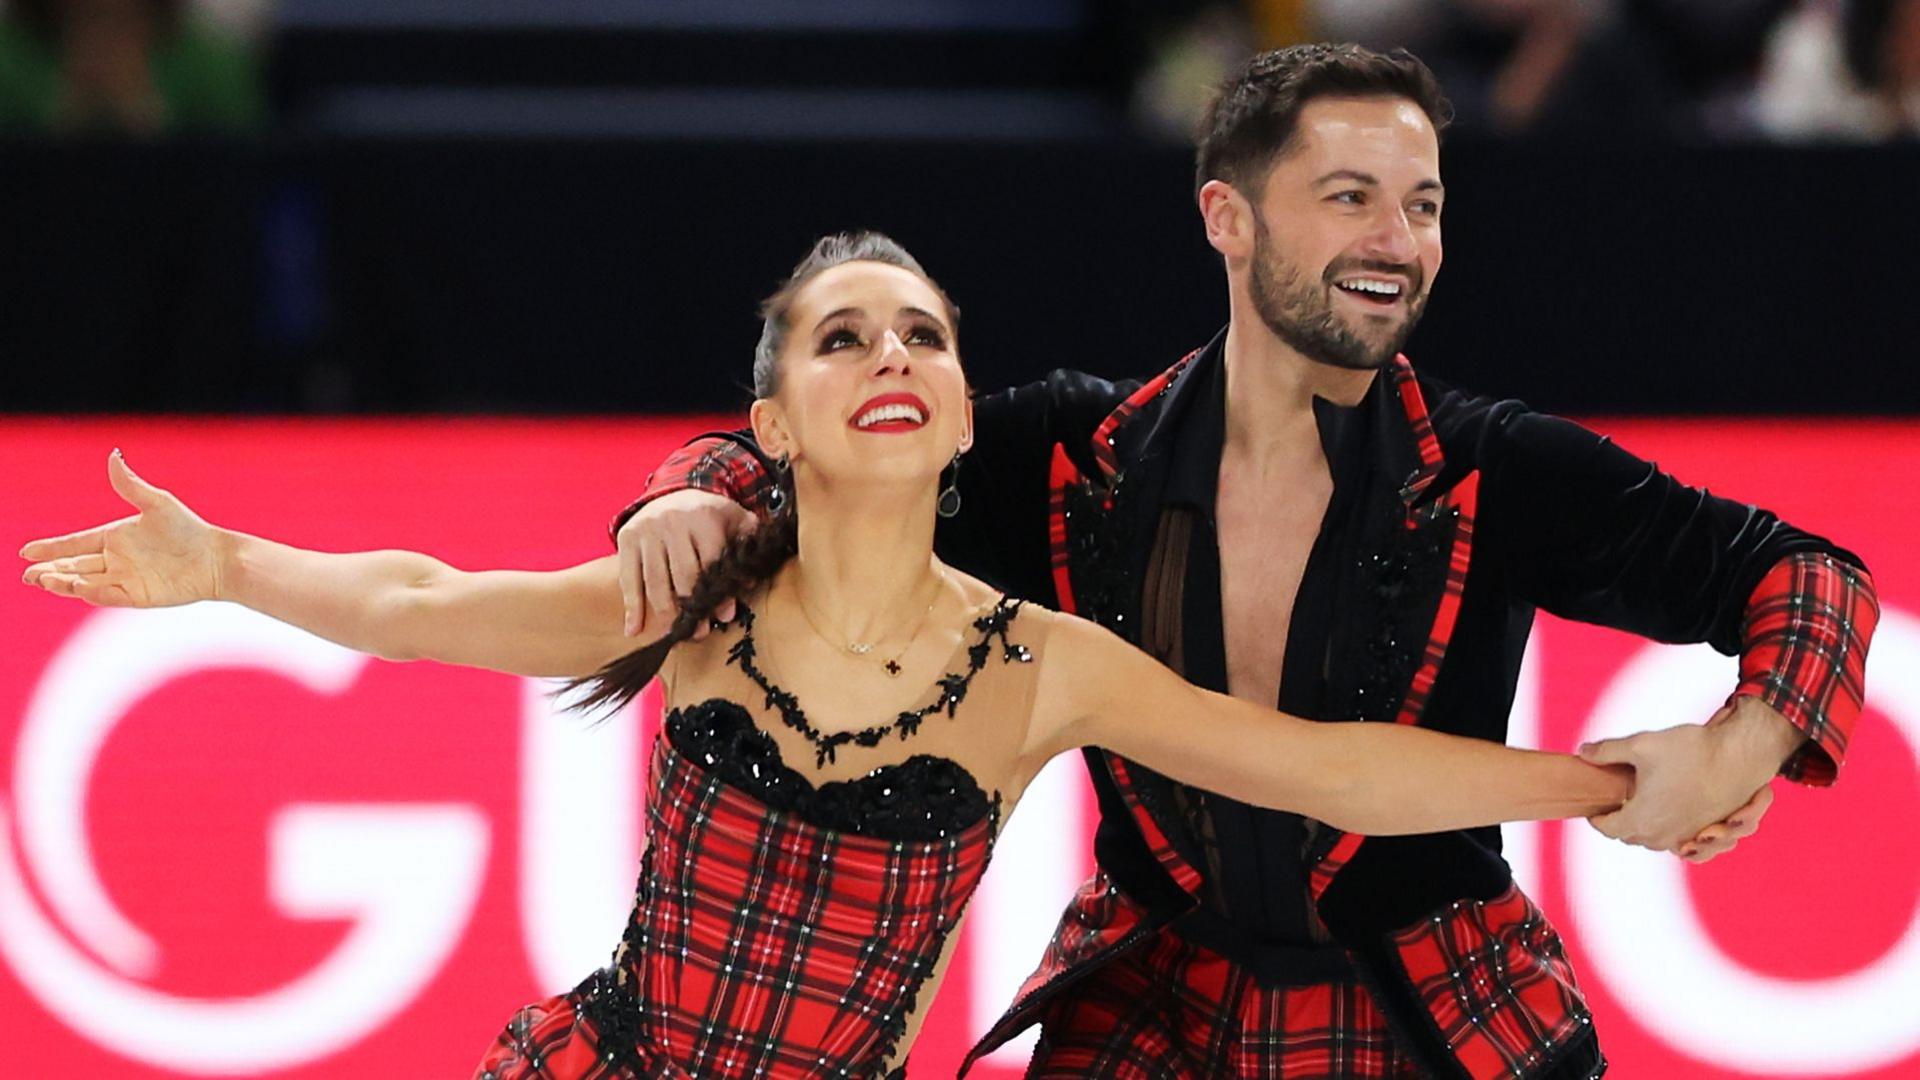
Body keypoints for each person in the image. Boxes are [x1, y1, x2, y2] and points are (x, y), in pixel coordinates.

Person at [18, 233, 1637, 1079]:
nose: (893, 354)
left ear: (953, 416)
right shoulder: (701, 603)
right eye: (843, 334)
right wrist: (224, 564)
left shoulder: (1038, 664)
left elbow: (1329, 764)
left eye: (922, 333)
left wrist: (1599, 780)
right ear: (779, 422)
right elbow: (421, 602)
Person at [612, 46, 1879, 1078]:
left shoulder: (1498, 470)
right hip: (1151, 1012)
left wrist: (1741, 742)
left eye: (1424, 204)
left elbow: (1806, 572)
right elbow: (802, 456)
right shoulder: (1069, 452)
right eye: (1351, 198)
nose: (1400, 239)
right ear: (1227, 215)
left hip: (1436, 1016)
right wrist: (682, 500)